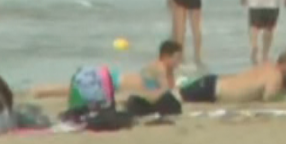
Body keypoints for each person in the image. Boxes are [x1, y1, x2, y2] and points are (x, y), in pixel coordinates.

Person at [30, 39, 184, 103]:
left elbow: (169, 89)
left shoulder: (167, 70)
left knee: (74, 91)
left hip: (114, 83)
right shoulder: (160, 68)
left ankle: (41, 91)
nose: (179, 62)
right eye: (176, 58)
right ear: (165, 56)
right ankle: (40, 91)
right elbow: (165, 93)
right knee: (72, 91)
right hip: (112, 82)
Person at [177, 50, 286, 104]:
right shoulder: (275, 75)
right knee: (174, 99)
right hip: (213, 90)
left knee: (176, 95)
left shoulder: (268, 66)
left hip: (213, 84)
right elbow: (269, 98)